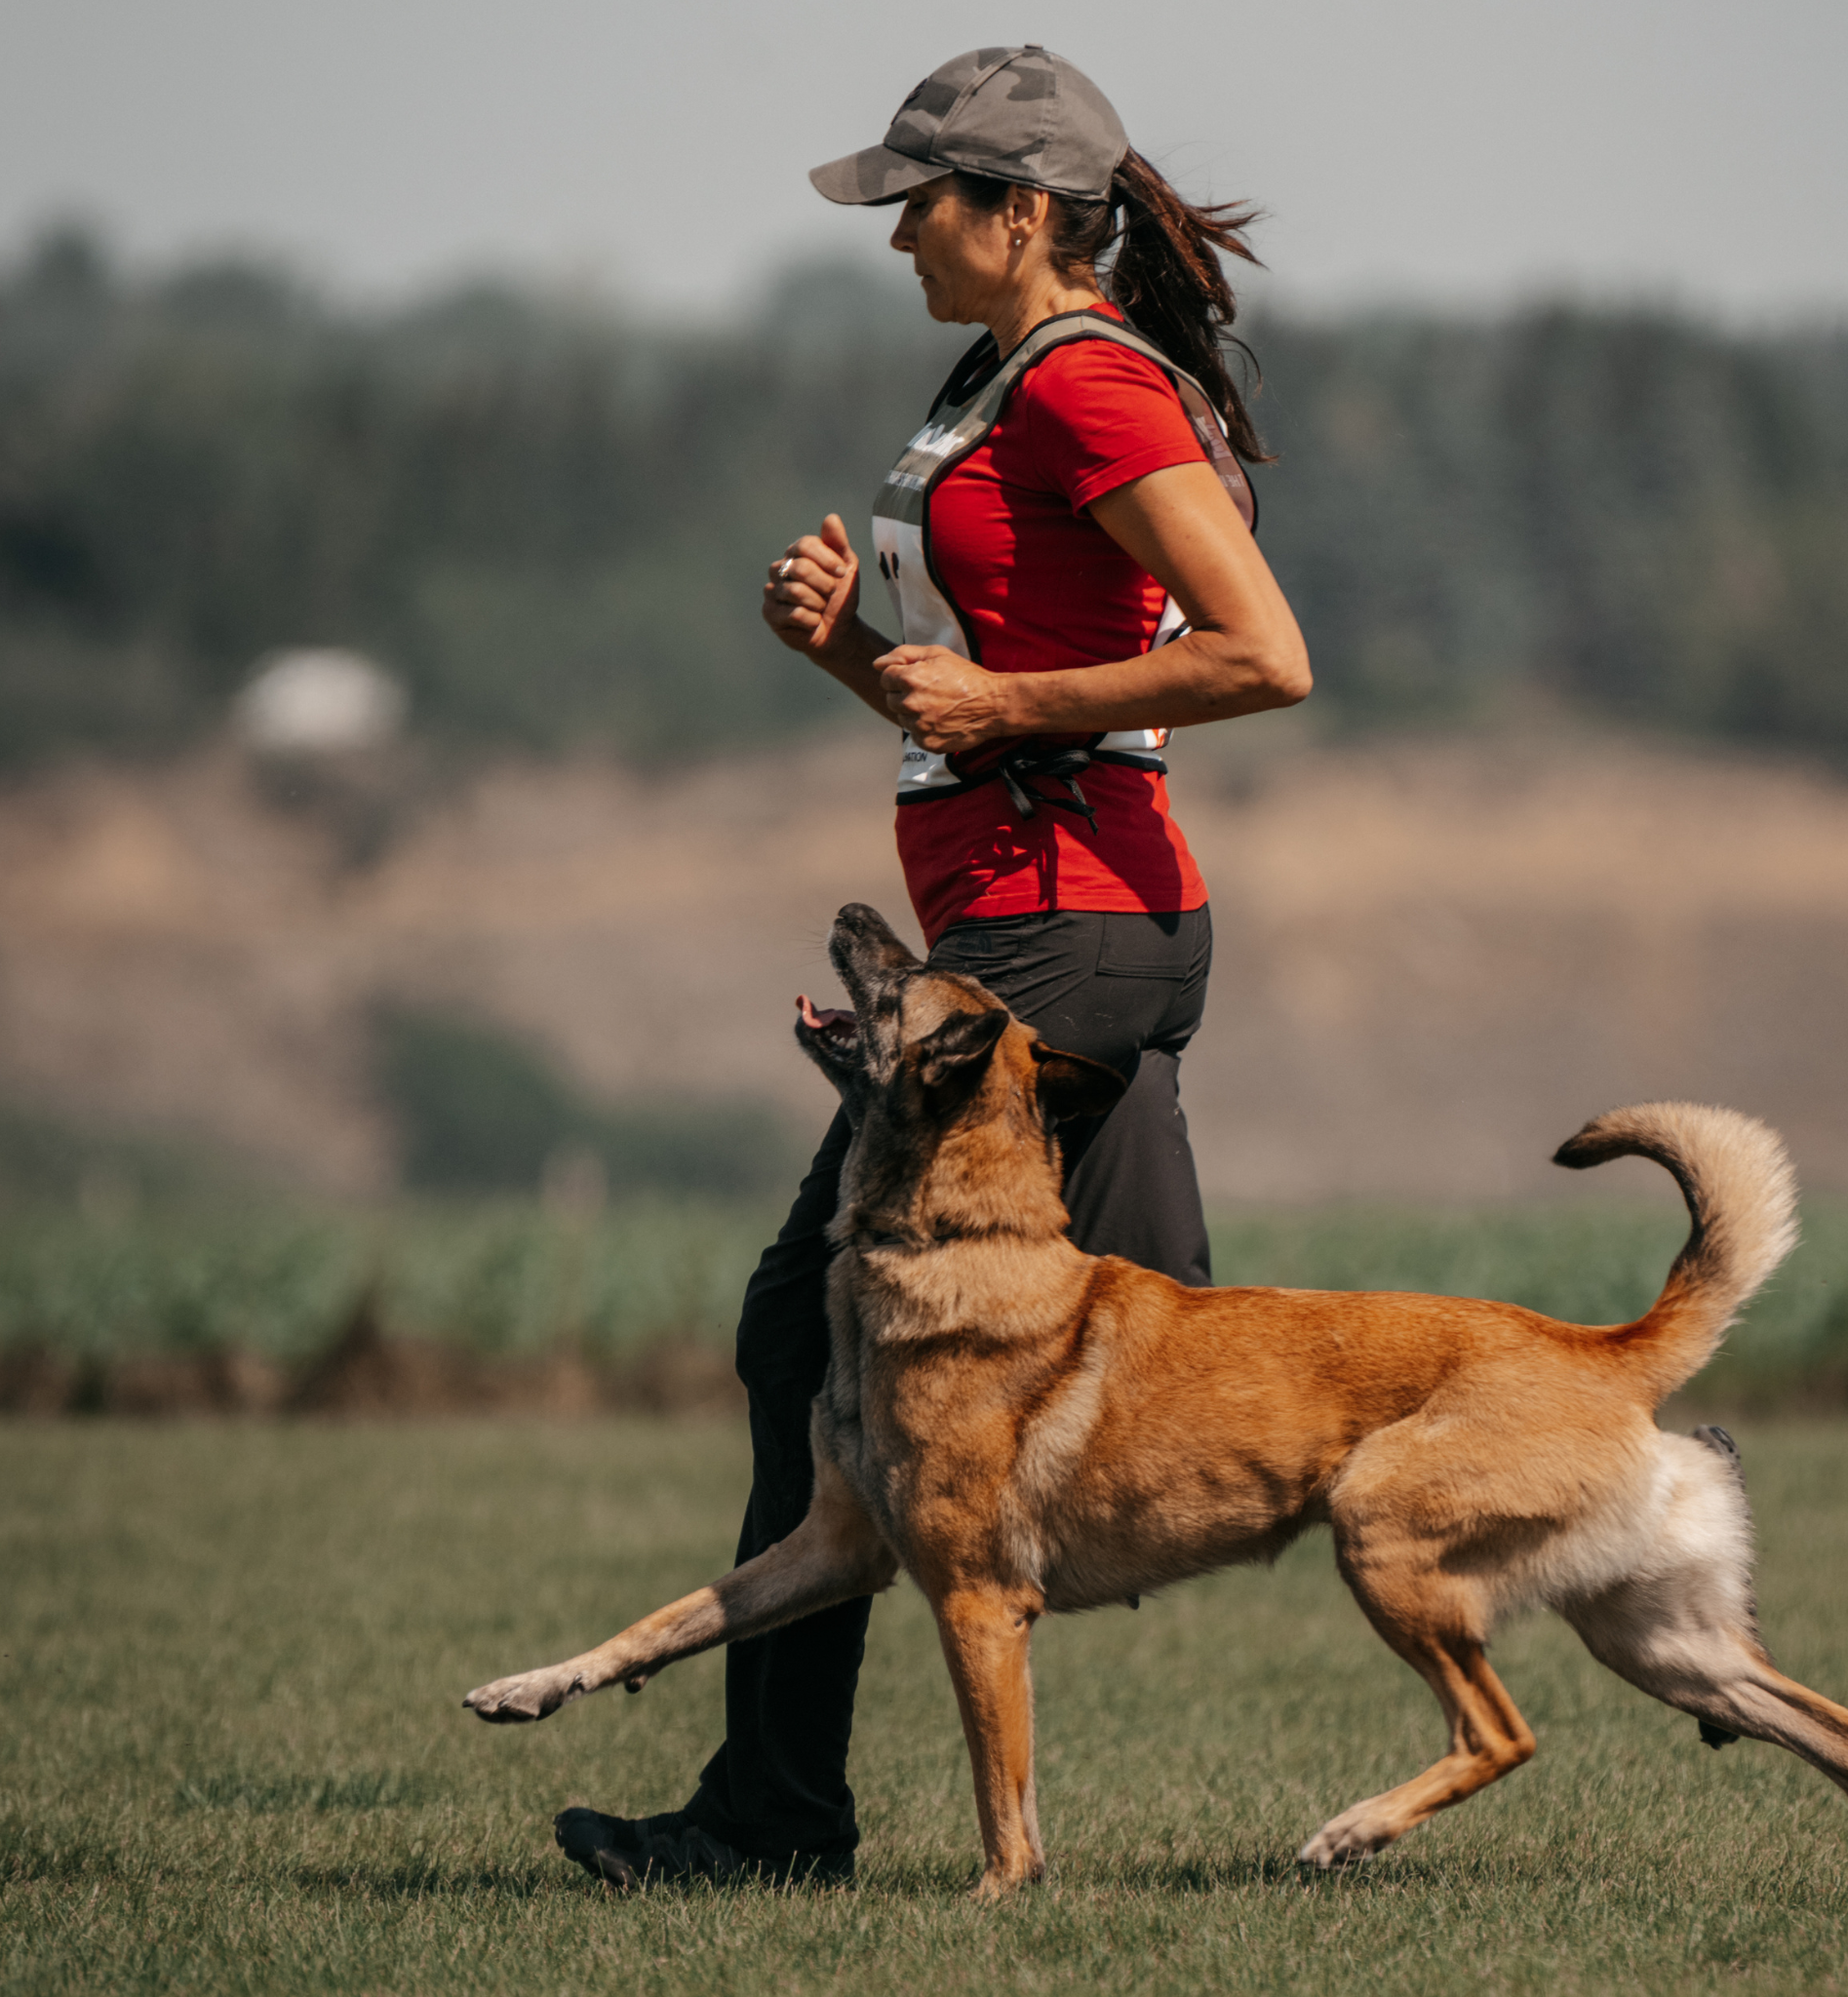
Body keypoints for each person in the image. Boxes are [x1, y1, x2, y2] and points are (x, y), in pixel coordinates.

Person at [555, 44, 1310, 1890]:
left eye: (922, 206)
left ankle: (773, 1822)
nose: (897, 238)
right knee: (1181, 1347)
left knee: (798, 1332)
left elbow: (1262, 654)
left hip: (1058, 935)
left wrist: (1007, 703)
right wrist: (848, 652)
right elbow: (974, 703)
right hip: (1059, 920)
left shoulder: (1090, 384)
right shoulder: (1001, 374)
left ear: (1024, 213)